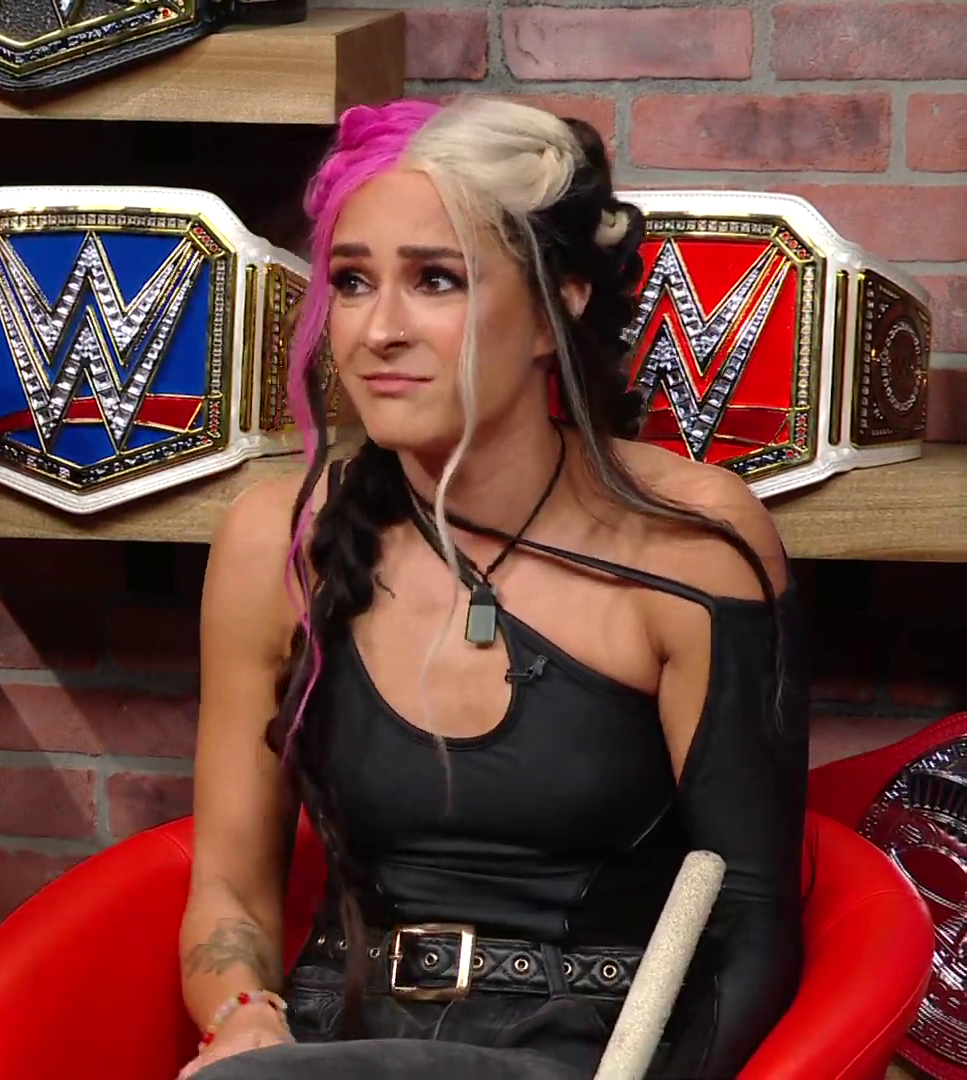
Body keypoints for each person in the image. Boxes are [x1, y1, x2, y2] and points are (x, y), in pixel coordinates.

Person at [175, 98, 807, 1079]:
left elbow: (752, 922)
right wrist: (242, 1018)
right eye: (352, 282)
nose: (379, 330)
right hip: (324, 1047)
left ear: (558, 305)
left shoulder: (688, 540)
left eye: (437, 280)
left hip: (587, 1052)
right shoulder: (277, 540)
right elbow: (228, 888)